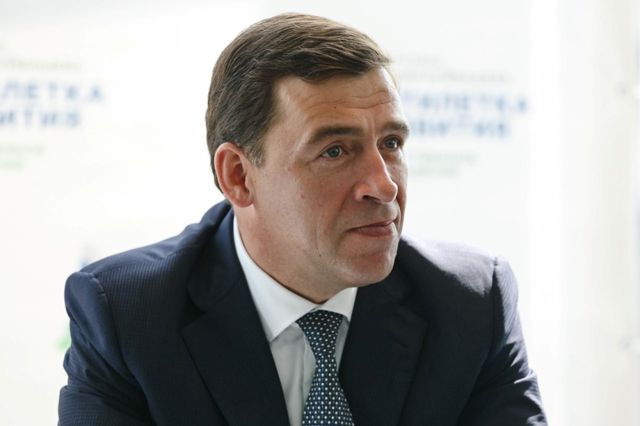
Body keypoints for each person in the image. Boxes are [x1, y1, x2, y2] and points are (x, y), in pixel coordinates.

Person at [58, 13, 547, 426]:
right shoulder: (129, 315)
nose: (384, 186)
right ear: (238, 177)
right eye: (335, 151)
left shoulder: (469, 304)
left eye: (391, 144)